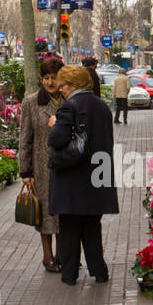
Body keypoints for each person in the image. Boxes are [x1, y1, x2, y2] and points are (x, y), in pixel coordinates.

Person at [48, 65, 117, 285]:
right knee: (91, 227)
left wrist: (54, 125)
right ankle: (99, 271)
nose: (61, 90)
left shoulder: (70, 106)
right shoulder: (102, 106)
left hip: (74, 178)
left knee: (69, 228)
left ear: (74, 84)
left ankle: (69, 275)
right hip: (99, 174)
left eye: (63, 86)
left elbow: (57, 140)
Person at [18, 55, 65, 273]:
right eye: (46, 78)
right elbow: (25, 138)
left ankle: (63, 254)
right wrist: (25, 171)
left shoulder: (69, 100)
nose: (50, 82)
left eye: (54, 77)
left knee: (64, 213)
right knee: (45, 213)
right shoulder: (31, 102)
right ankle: (48, 257)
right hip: (41, 167)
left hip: (66, 165)